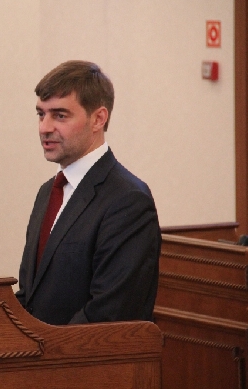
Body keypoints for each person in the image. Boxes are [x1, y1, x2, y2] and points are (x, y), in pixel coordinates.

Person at [15, 60, 161, 325]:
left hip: (84, 351)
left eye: (60, 115)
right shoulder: (48, 192)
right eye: (41, 114)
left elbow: (110, 312)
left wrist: (45, 347)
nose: (44, 127)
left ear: (98, 119)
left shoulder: (128, 200)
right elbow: (30, 295)